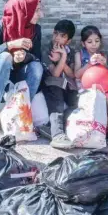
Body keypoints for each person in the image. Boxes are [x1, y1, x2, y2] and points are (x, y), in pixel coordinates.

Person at [0, 0, 44, 133]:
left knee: (37, 67)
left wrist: (25, 56)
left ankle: (21, 110)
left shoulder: (35, 29)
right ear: (24, 10)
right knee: (4, 57)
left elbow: (38, 58)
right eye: (37, 10)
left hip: (20, 75)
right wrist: (10, 45)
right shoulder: (2, 25)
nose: (41, 15)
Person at [74, 25, 108, 146]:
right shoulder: (79, 55)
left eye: (97, 41)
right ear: (83, 43)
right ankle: (91, 131)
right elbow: (77, 74)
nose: (94, 44)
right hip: (86, 88)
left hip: (102, 88)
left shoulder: (103, 55)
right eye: (89, 42)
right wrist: (89, 64)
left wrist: (105, 64)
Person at [37, 20, 78, 148]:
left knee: (76, 104)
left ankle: (49, 128)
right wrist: (62, 59)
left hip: (68, 85)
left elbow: (72, 74)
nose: (57, 38)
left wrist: (63, 57)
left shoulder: (70, 51)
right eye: (56, 34)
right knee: (57, 96)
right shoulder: (46, 49)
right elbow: (55, 73)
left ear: (68, 41)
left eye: (62, 36)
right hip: (51, 85)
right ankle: (57, 135)